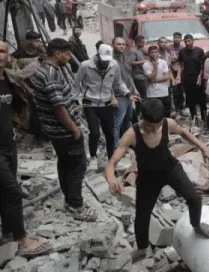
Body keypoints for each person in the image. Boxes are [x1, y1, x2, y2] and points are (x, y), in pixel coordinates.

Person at [105, 100, 209, 262]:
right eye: (150, 126)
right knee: (142, 216)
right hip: (148, 178)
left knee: (194, 198)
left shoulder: (167, 123)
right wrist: (111, 180)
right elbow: (111, 163)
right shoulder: (132, 134)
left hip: (170, 169)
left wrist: (203, 147)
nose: (154, 129)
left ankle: (196, 225)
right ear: (142, 118)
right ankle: (142, 248)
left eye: (157, 126)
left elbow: (184, 132)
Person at [31, 39, 97, 222]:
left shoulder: (44, 70)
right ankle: (76, 205)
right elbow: (59, 108)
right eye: (67, 54)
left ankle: (69, 198)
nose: (69, 57)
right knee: (77, 166)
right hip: (64, 131)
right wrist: (74, 129)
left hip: (55, 131)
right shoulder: (51, 74)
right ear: (57, 53)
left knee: (65, 163)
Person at [0, 41, 53, 256]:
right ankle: (22, 240)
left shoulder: (8, 79)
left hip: (9, 145)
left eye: (3, 50)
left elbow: (15, 105)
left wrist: (15, 126)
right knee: (14, 192)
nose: (1, 54)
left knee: (5, 192)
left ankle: (8, 234)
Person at [74, 44, 137, 170]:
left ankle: (111, 160)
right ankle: (93, 157)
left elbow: (119, 83)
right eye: (103, 59)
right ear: (98, 54)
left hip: (106, 102)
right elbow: (76, 83)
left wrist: (128, 94)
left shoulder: (113, 65)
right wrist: (76, 100)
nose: (105, 62)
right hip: (90, 102)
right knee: (95, 132)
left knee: (109, 133)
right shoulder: (85, 65)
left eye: (107, 60)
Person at [112, 37, 137, 141]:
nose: (122, 46)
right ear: (113, 45)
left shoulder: (124, 57)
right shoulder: (110, 60)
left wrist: (134, 89)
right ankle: (115, 146)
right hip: (119, 95)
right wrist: (112, 97)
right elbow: (107, 82)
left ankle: (126, 142)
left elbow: (128, 75)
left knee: (127, 120)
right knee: (117, 123)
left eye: (123, 44)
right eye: (119, 44)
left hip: (129, 94)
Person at [177, 34, 205, 122]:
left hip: (197, 77)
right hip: (187, 77)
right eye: (185, 41)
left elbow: (203, 65)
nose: (187, 43)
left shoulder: (199, 51)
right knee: (189, 98)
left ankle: (204, 117)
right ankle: (194, 117)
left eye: (189, 41)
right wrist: (178, 75)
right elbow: (180, 65)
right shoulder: (182, 51)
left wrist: (200, 76)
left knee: (201, 98)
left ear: (193, 41)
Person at [143, 45, 171, 116]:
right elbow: (150, 77)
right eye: (152, 52)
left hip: (164, 92)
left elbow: (167, 76)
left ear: (158, 53)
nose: (154, 54)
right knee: (154, 113)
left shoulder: (163, 62)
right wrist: (155, 66)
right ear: (149, 54)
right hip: (152, 94)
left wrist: (154, 80)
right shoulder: (145, 64)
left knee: (166, 112)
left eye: (155, 52)